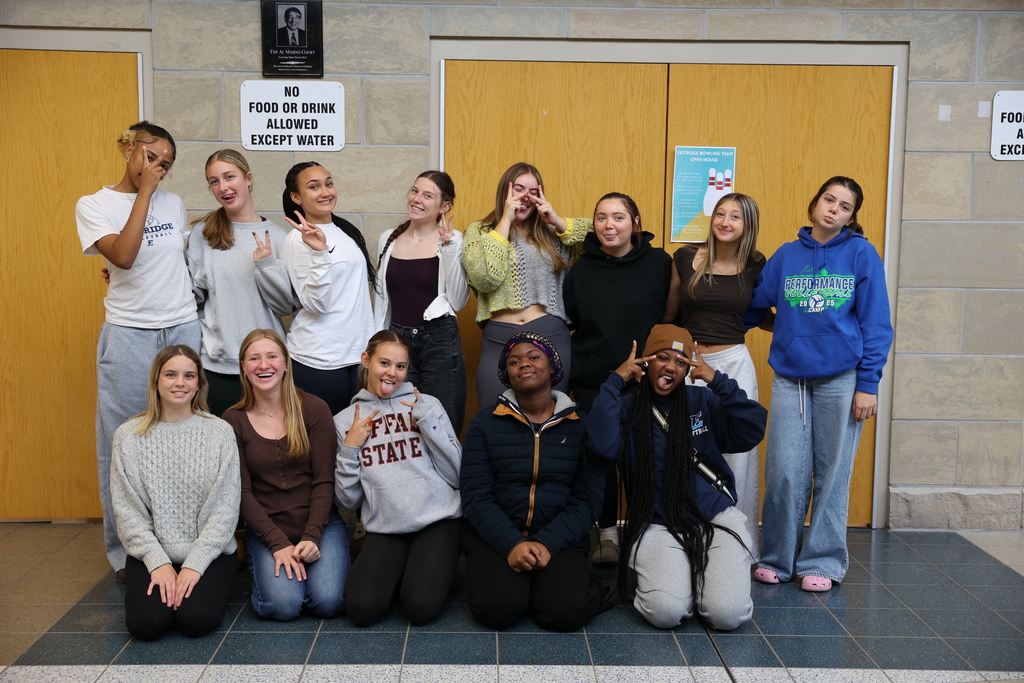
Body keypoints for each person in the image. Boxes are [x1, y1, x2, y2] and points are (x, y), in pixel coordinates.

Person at [746, 176, 893, 592]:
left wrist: (869, 384)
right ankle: (777, 557)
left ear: (851, 217)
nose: (834, 209)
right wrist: (788, 330)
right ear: (815, 203)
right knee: (784, 472)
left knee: (833, 475)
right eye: (829, 200)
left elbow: (876, 324)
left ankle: (823, 563)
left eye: (845, 207)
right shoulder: (786, 256)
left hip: (842, 381)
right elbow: (755, 306)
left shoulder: (862, 254)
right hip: (791, 380)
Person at [76, 121, 199, 577]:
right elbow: (124, 256)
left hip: (182, 328)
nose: (159, 169)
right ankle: (127, 555)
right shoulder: (94, 204)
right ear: (129, 148)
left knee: (184, 437)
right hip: (129, 334)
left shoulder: (175, 203)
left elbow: (176, 264)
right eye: (152, 158)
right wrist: (144, 192)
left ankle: (179, 546)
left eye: (166, 165)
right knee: (123, 443)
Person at [586, 325, 766, 630]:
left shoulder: (701, 401)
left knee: (726, 615)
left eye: (681, 361)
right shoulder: (626, 408)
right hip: (657, 522)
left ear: (687, 369)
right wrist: (616, 381)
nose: (671, 366)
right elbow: (601, 446)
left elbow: (751, 429)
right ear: (646, 362)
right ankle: (684, 575)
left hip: (714, 518)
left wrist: (717, 381)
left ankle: (699, 574)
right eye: (662, 357)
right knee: (665, 613)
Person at [460, 332, 606, 632]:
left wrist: (547, 543)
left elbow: (587, 500)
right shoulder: (484, 424)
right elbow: (475, 496)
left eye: (533, 356)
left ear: (552, 367)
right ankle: (524, 586)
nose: (523, 363)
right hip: (497, 534)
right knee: (497, 611)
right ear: (507, 375)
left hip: (557, 536)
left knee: (564, 613)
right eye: (514, 361)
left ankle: (573, 585)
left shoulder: (583, 425)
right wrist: (512, 544)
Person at [562, 192, 674, 565]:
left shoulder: (660, 263)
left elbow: (669, 316)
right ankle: (607, 533)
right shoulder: (581, 270)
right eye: (601, 218)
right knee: (601, 456)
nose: (609, 225)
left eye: (618, 217)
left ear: (635, 223)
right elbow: (575, 320)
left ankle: (646, 533)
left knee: (646, 455)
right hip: (596, 378)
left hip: (648, 378)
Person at [109, 345, 240, 641]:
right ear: (156, 380)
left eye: (189, 376)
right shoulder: (128, 437)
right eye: (171, 374)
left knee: (195, 620)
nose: (180, 383)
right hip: (151, 552)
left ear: (199, 384)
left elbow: (226, 510)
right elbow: (127, 512)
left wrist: (193, 566)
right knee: (147, 624)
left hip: (211, 551)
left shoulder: (219, 432)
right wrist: (158, 563)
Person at [335, 330, 463, 626]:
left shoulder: (428, 405)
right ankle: (407, 568)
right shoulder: (343, 422)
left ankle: (423, 569)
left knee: (419, 608)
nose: (392, 373)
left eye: (401, 366)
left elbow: (457, 475)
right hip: (387, 527)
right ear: (366, 360)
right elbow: (348, 499)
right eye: (384, 363)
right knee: (362, 609)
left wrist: (427, 423)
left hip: (438, 520)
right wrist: (352, 446)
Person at [665, 193, 767, 555]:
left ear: (747, 225)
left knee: (738, 456)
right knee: (686, 449)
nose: (725, 221)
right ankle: (686, 538)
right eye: (720, 214)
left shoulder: (756, 264)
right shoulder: (685, 257)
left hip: (734, 364)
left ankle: (738, 545)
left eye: (735, 217)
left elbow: (766, 312)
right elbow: (670, 315)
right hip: (690, 365)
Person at [224, 329, 348, 621]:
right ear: (243, 366)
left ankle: (305, 576)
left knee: (329, 602)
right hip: (266, 529)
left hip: (320, 525)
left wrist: (313, 536)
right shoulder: (233, 420)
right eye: (254, 358)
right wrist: (278, 543)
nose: (263, 365)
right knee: (284, 607)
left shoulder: (314, 409)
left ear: (286, 363)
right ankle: (274, 583)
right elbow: (241, 492)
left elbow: (324, 481)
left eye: (271, 357)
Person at [462, 163, 591, 409]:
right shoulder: (479, 232)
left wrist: (557, 220)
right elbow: (485, 278)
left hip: (551, 338)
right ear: (504, 192)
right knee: (495, 420)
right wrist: (505, 221)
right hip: (499, 340)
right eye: (518, 189)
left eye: (532, 192)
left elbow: (602, 238)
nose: (525, 197)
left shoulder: (552, 232)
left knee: (550, 421)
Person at [187, 149, 296, 416]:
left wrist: (267, 265)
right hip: (219, 366)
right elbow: (190, 296)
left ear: (248, 178)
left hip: (267, 369)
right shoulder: (203, 234)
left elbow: (286, 308)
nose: (223, 187)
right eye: (214, 181)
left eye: (229, 177)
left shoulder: (281, 237)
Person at [373, 171, 470, 433]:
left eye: (428, 195)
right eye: (415, 191)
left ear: (444, 206)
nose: (417, 199)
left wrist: (449, 250)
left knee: (442, 426)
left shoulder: (453, 239)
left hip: (438, 341)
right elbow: (382, 302)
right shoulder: (388, 239)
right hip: (397, 343)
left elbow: (459, 301)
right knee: (401, 426)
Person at [279, 161, 376, 415]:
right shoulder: (297, 241)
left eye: (329, 184)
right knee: (325, 442)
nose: (325, 192)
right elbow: (316, 304)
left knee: (355, 438)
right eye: (314, 187)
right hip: (319, 359)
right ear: (296, 197)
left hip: (357, 356)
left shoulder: (346, 230)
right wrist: (320, 253)